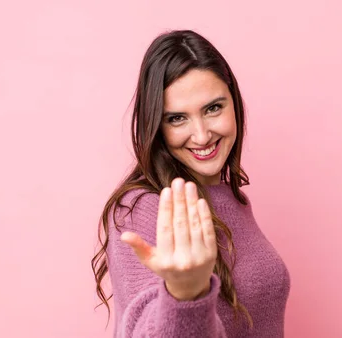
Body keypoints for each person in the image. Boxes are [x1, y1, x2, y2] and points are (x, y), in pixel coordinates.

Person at [91, 29, 290, 337]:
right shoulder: (143, 208)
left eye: (213, 108)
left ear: (234, 102)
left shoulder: (231, 199)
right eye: (177, 118)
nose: (201, 135)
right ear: (156, 125)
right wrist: (185, 293)